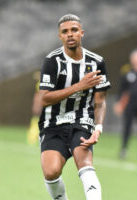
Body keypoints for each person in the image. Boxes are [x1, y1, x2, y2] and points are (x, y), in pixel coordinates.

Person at [38, 14, 110, 200]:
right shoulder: (52, 61)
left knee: (85, 163)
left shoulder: (96, 62)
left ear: (82, 33)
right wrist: (79, 86)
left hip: (82, 119)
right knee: (51, 172)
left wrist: (98, 128)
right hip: (53, 123)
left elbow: (100, 101)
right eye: (65, 31)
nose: (70, 34)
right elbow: (44, 99)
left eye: (74, 30)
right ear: (60, 36)